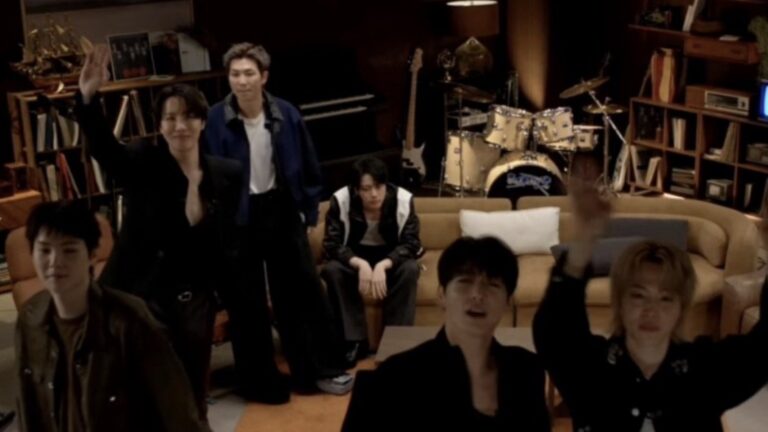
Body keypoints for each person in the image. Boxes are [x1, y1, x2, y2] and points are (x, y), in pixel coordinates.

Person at [75, 45, 242, 416]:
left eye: (189, 117)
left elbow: (227, 244)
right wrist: (87, 96)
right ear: (160, 125)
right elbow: (103, 147)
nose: (180, 126)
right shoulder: (142, 161)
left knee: (193, 385)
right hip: (144, 296)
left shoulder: (227, 173)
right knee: (147, 388)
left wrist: (224, 298)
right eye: (170, 118)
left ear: (202, 122)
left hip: (195, 300)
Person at [533, 181, 768, 432]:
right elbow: (553, 331)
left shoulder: (704, 371)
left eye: (666, 298)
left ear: (681, 308)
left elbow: (762, 349)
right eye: (638, 296)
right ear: (620, 302)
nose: (651, 310)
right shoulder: (590, 369)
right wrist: (583, 245)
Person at [205, 42, 351, 399]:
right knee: (246, 301)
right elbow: (207, 173)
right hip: (238, 216)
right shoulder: (215, 118)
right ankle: (260, 381)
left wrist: (309, 209)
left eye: (248, 73)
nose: (241, 81)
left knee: (301, 292)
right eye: (235, 74)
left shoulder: (286, 113)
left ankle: (317, 371)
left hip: (281, 208)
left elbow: (308, 161)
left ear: (264, 76)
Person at [15, 201, 208, 432]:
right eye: (45, 250)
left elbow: (178, 411)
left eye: (69, 250)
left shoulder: (130, 320)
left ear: (92, 255)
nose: (55, 262)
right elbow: (28, 409)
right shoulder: (30, 319)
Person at [342, 236, 551, 431]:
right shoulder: (394, 378)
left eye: (492, 284)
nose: (477, 295)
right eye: (465, 282)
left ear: (507, 302)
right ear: (441, 295)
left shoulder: (526, 370)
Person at [321, 156, 421, 363]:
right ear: (356, 190)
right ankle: (355, 341)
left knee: (411, 269)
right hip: (355, 256)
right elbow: (332, 244)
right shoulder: (341, 200)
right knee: (332, 270)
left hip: (391, 256)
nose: (374, 194)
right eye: (366, 189)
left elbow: (411, 244)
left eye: (378, 187)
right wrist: (360, 263)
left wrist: (384, 264)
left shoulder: (403, 200)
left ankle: (396, 343)